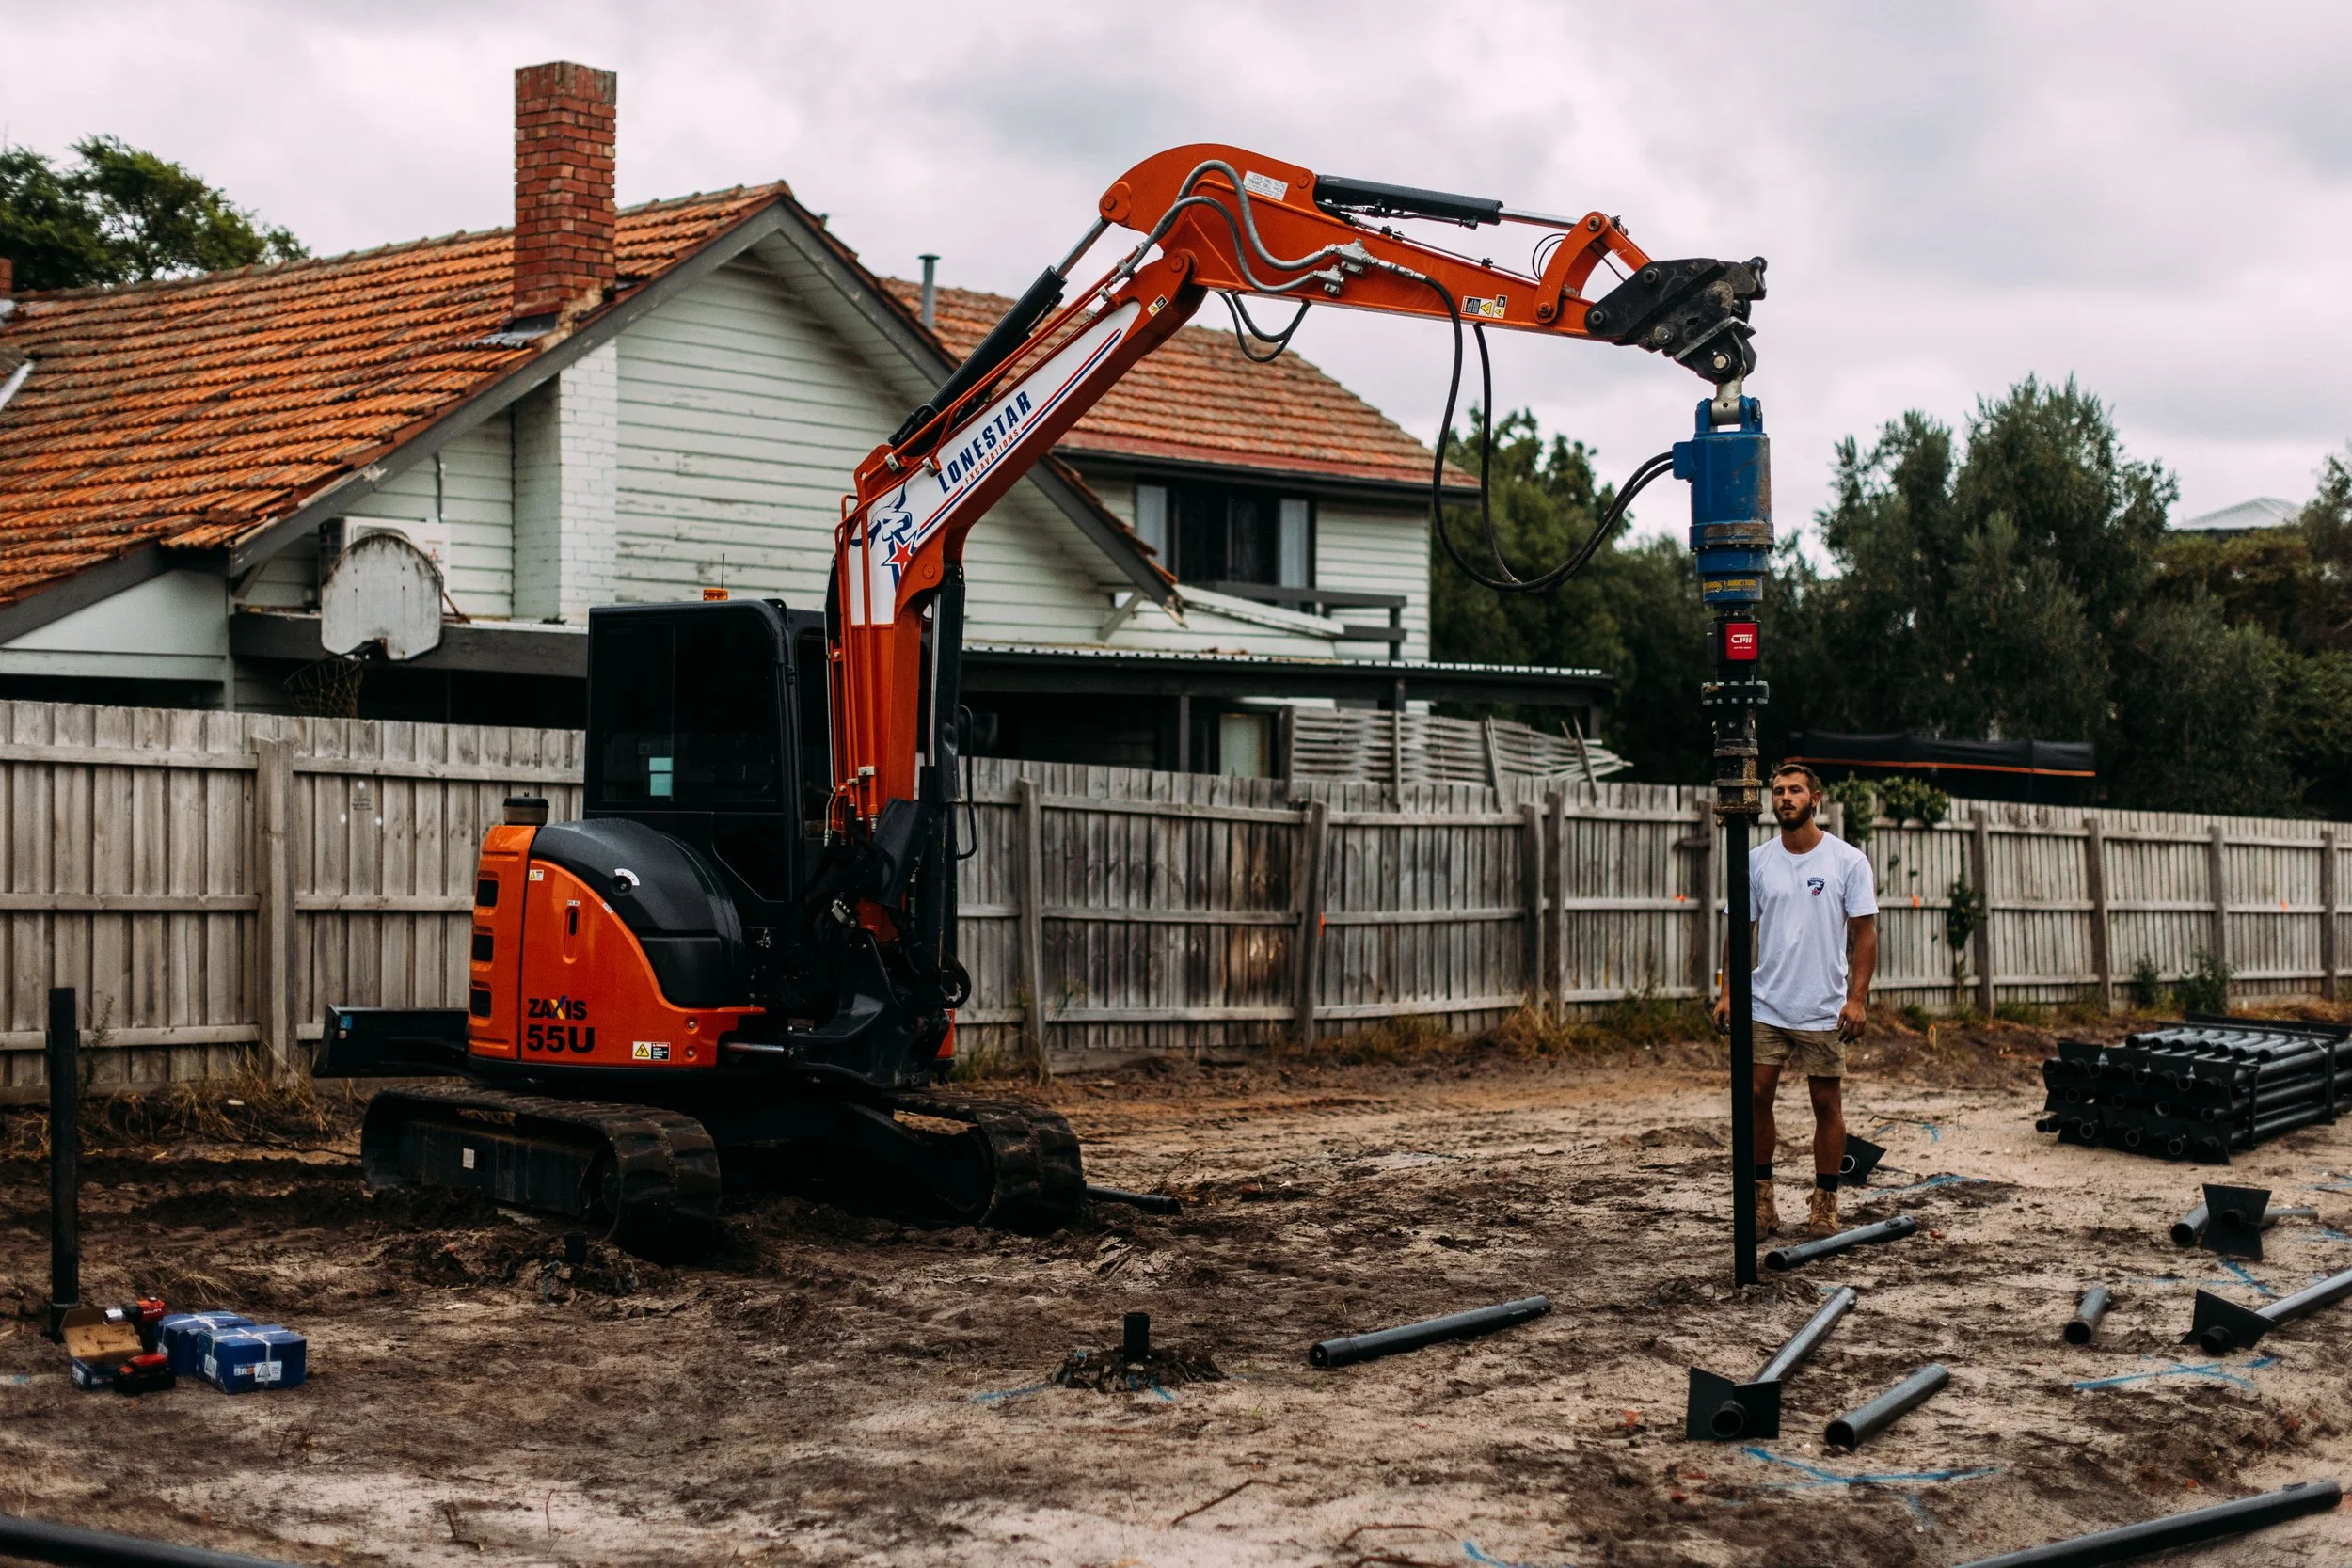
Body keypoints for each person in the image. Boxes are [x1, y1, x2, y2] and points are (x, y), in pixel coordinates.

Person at [1712, 763, 1879, 1238]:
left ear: (1815, 799)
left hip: (1824, 1006)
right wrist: (1727, 992)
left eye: (1795, 791)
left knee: (1825, 1103)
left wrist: (1858, 999)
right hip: (1766, 1003)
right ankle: (1762, 1201)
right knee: (1756, 1095)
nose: (1785, 798)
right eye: (1779, 791)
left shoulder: (1847, 861)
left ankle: (1825, 1203)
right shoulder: (1759, 861)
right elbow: (1738, 929)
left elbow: (1865, 933)